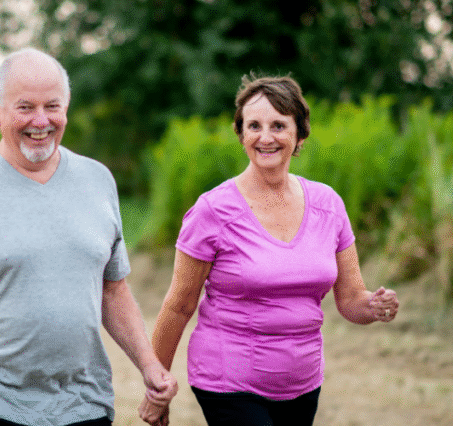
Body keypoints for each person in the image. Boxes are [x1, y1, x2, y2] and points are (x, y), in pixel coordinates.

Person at [0, 48, 177, 426]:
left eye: (52, 106)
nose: (41, 121)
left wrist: (150, 366)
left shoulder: (98, 181)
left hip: (83, 402)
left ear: (66, 106)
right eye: (25, 107)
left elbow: (113, 290)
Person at [139, 75, 401, 426]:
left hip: (303, 383)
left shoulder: (328, 205)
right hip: (228, 380)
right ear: (241, 134)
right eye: (254, 126)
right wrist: (157, 387)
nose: (266, 137)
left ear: (300, 134)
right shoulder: (213, 211)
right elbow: (179, 304)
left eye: (278, 125)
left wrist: (372, 305)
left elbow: (351, 299)